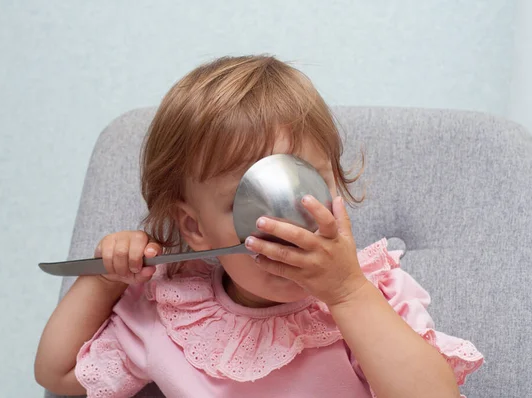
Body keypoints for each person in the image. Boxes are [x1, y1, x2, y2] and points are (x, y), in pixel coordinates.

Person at [35, 55, 483, 398]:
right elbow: (57, 373)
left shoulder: (375, 293)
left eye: (303, 187)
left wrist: (347, 293)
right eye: (249, 203)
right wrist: (106, 279)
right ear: (194, 228)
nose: (288, 224)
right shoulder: (173, 312)